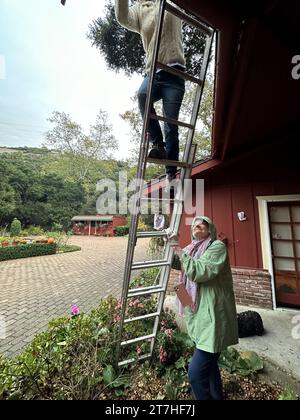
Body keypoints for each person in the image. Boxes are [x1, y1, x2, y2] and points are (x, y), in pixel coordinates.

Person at [115, 0, 186, 191]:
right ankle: (158, 144)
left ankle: (171, 174)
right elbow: (122, 17)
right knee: (142, 95)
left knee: (171, 124)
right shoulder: (140, 9)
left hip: (176, 73)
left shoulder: (172, 2)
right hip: (153, 72)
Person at [171, 216, 239, 400]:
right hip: (198, 315)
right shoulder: (191, 249)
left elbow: (199, 272)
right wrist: (169, 247)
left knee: (195, 373)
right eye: (195, 226)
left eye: (202, 225)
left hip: (213, 316)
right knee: (210, 368)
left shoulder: (217, 247)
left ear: (210, 230)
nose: (197, 227)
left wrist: (178, 250)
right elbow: (178, 263)